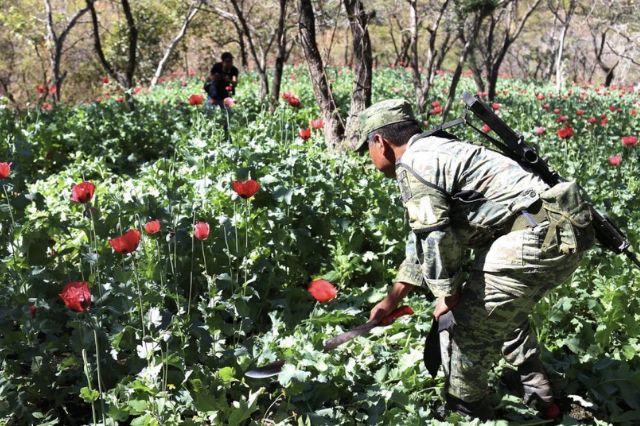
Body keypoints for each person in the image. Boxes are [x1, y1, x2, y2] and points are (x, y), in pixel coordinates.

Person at [354, 99, 594, 420]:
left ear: (380, 142)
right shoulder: (439, 150)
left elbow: (436, 237)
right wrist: (393, 298)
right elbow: (422, 241)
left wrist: (448, 296)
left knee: (465, 333)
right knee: (497, 306)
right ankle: (537, 388)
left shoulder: (413, 164)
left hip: (531, 236)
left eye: (366, 150)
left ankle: (466, 412)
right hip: (560, 229)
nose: (370, 160)